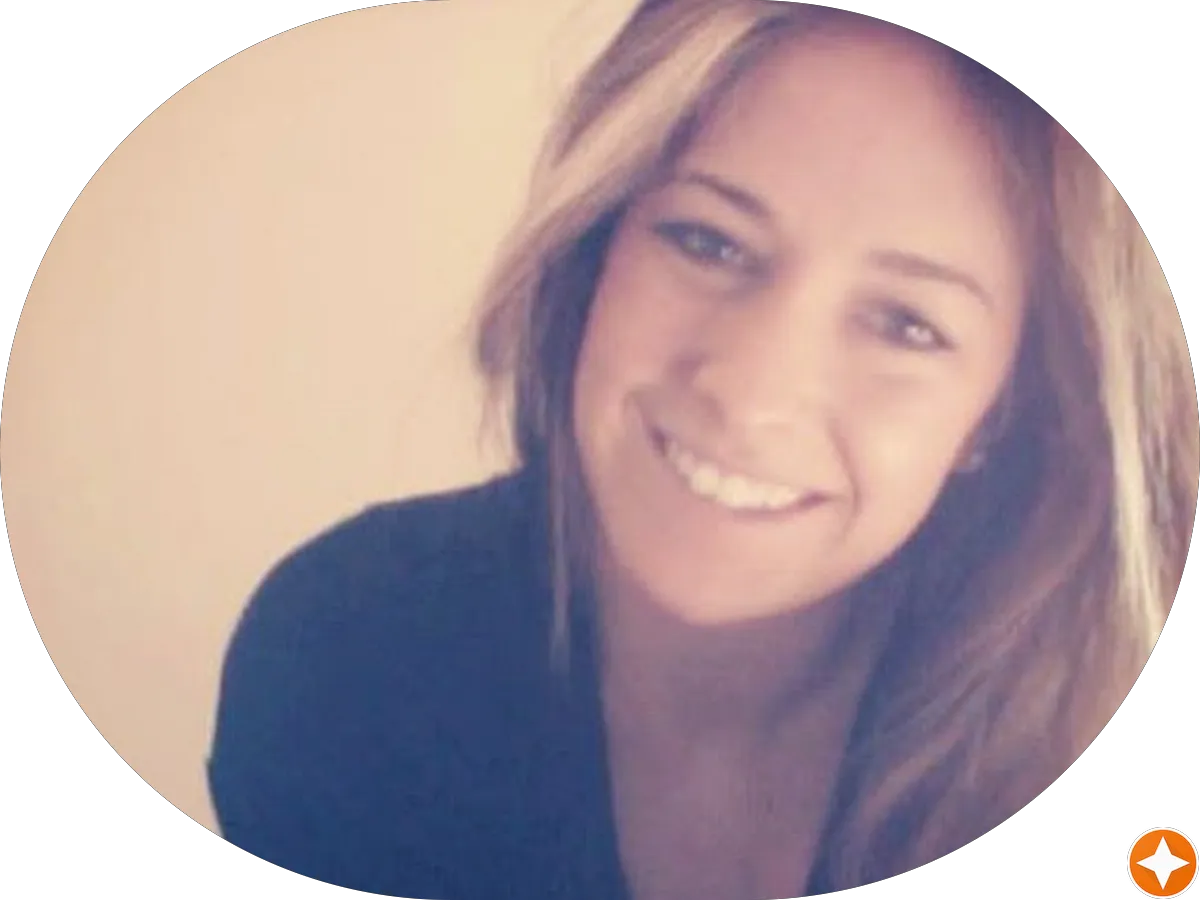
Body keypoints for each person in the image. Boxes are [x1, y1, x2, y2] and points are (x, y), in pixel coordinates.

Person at [207, 2, 1197, 898]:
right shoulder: (352, 653)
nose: (752, 393)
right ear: (595, 247)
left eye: (905, 324)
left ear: (999, 414)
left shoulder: (1081, 730)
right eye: (707, 242)